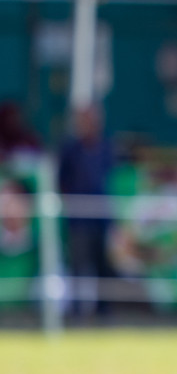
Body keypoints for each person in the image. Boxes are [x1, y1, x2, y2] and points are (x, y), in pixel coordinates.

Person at [56, 103, 115, 317]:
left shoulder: (107, 147)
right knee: (79, 265)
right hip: (79, 218)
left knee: (103, 265)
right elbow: (61, 181)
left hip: (102, 216)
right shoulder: (70, 149)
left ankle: (104, 309)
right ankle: (78, 310)